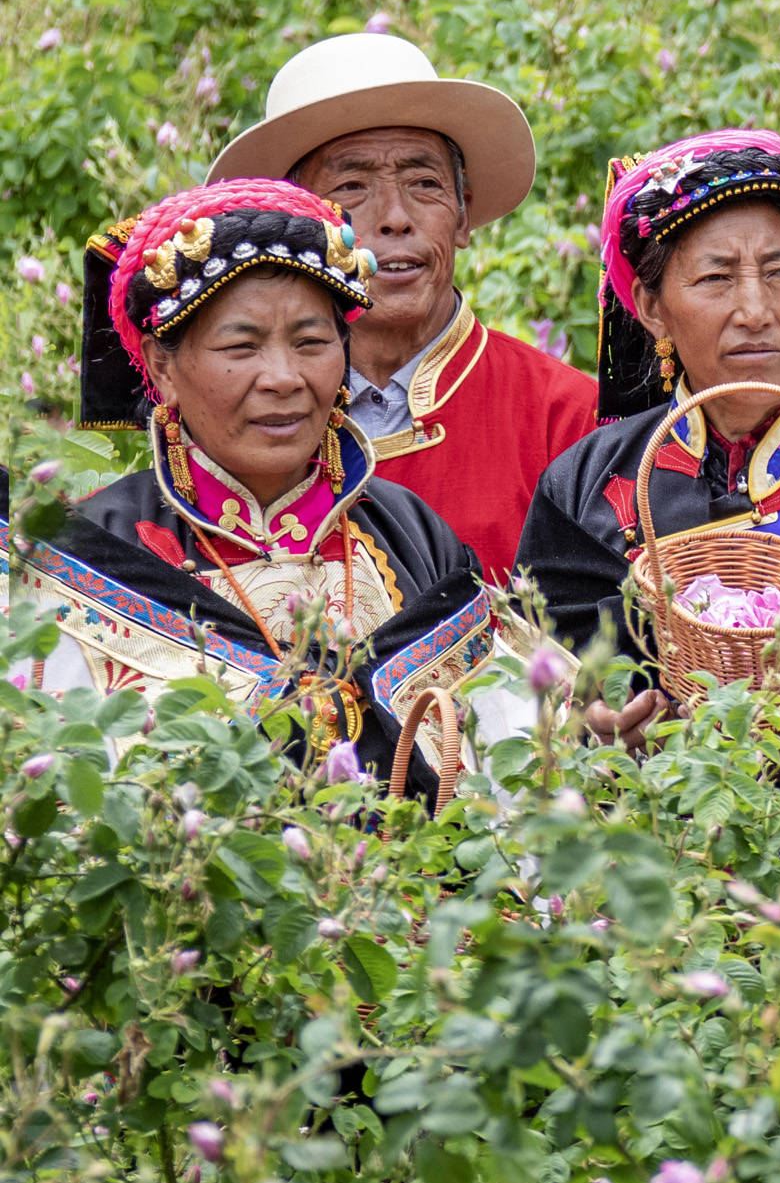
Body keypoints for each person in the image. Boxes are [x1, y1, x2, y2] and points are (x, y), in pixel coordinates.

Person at [31, 180, 498, 791]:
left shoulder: (408, 532)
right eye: (241, 346)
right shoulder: (97, 551)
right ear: (163, 364)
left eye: (311, 343)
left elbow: (498, 745)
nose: (283, 378)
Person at [516, 131, 780, 740]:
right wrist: (586, 728)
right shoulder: (582, 485)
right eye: (715, 278)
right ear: (651, 306)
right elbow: (530, 680)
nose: (755, 311)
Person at [194, 32, 599, 577]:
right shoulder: (229, 410)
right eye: (353, 187)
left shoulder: (566, 417)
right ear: (298, 229)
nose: (394, 216)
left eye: (424, 182)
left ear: (461, 215)